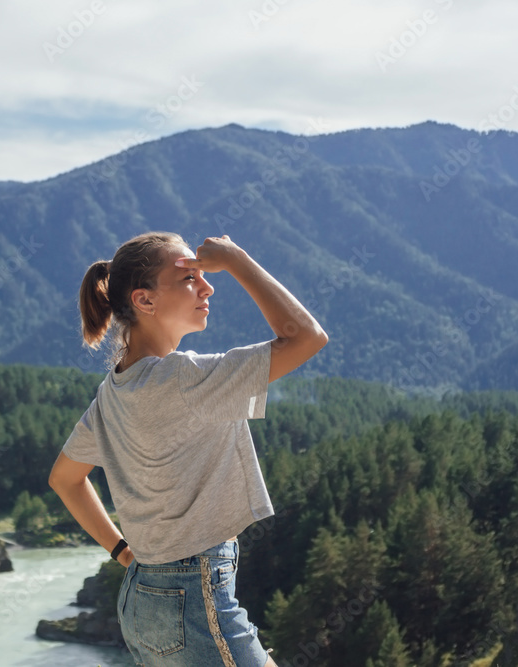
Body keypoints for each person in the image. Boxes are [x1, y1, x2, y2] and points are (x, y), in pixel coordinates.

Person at [48, 232, 328, 666]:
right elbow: (306, 337)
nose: (208, 286)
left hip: (142, 599)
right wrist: (237, 259)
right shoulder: (182, 379)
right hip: (196, 598)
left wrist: (121, 552)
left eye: (204, 275)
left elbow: (64, 478)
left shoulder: (114, 392)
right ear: (144, 301)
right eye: (190, 278)